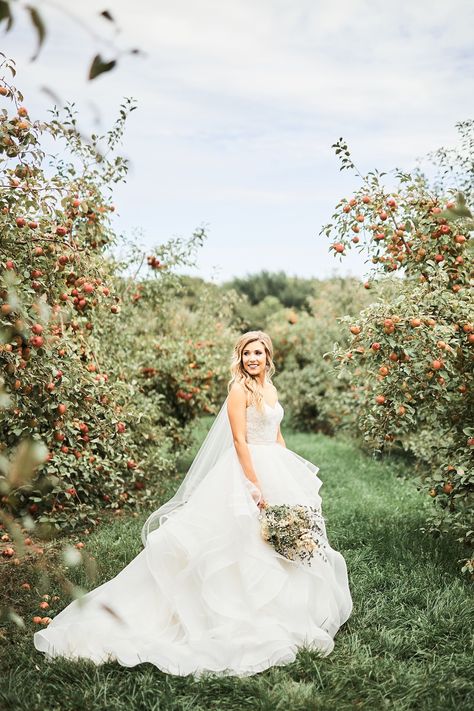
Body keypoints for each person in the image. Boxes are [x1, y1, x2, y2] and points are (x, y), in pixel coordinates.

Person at [34, 330, 353, 677]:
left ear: (268, 356)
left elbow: (275, 435)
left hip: (275, 464)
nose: (252, 359)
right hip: (246, 472)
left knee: (279, 542)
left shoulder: (271, 390)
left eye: (258, 353)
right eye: (247, 353)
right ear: (240, 358)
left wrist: (288, 472)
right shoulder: (238, 391)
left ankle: (285, 612)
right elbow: (239, 440)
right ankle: (230, 613)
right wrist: (255, 485)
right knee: (238, 543)